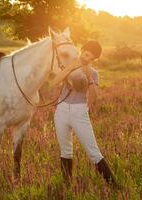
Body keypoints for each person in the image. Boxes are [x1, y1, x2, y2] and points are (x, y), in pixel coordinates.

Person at [51, 41, 118, 187]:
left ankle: (114, 186)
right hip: (61, 110)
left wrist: (89, 79)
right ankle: (67, 185)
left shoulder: (93, 73)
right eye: (87, 55)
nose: (87, 59)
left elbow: (93, 99)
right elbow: (54, 82)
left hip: (79, 111)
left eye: (91, 59)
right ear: (82, 50)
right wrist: (69, 68)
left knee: (93, 152)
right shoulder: (70, 65)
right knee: (65, 150)